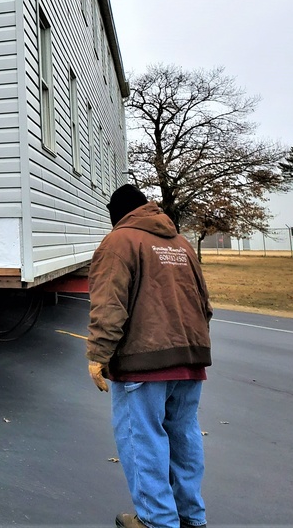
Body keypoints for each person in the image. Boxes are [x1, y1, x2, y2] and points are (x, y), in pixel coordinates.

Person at [86, 184, 212, 528]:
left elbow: (109, 306)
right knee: (183, 437)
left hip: (143, 363)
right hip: (190, 358)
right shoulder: (181, 243)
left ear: (117, 215)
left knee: (142, 440)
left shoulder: (119, 242)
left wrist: (98, 355)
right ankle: (190, 516)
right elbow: (204, 304)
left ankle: (156, 520)